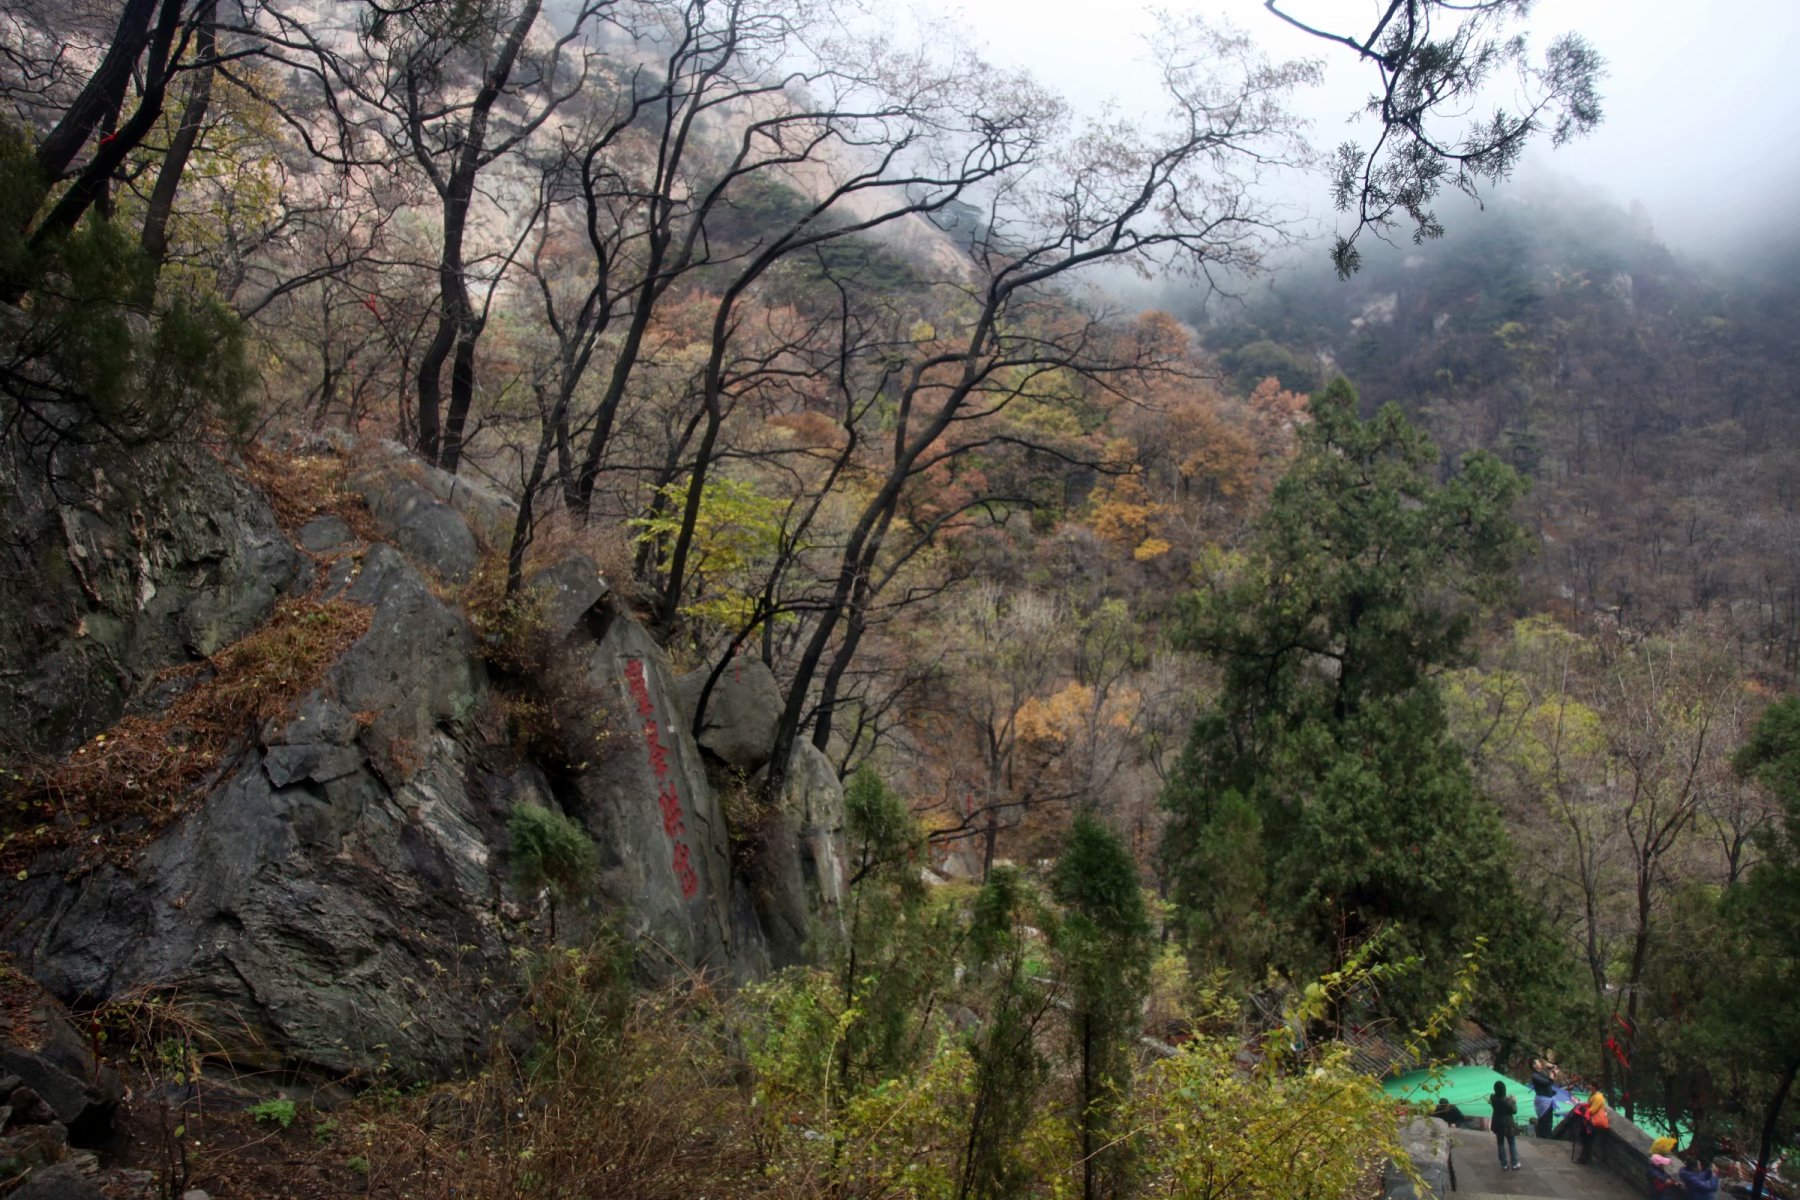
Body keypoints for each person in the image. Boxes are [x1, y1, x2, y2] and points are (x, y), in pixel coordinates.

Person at [1570, 1091, 1609, 1163]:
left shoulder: (1598, 1098)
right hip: (1590, 1123)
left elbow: (1592, 1110)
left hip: (1593, 1123)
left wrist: (1586, 1111)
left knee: (1588, 1141)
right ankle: (1586, 1158)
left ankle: (1584, 1158)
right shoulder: (1594, 1096)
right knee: (1587, 1141)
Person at [1491, 1080, 1521, 1171]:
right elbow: (1514, 1111)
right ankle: (1515, 1163)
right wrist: (1514, 1101)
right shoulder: (1508, 1102)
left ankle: (1504, 1164)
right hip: (1507, 1124)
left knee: (1500, 1143)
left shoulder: (1493, 1098)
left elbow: (1498, 1098)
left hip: (1497, 1122)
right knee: (1511, 1143)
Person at [1530, 1059, 1558, 1138]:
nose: (1540, 1063)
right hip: (1543, 1100)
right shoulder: (1535, 1075)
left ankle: (1546, 1137)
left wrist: (1551, 1070)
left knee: (1548, 1121)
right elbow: (1548, 1082)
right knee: (1544, 1120)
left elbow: (1550, 1081)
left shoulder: (1541, 1074)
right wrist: (1552, 1072)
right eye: (1538, 1062)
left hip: (1547, 1099)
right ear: (1534, 1065)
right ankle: (1542, 1137)